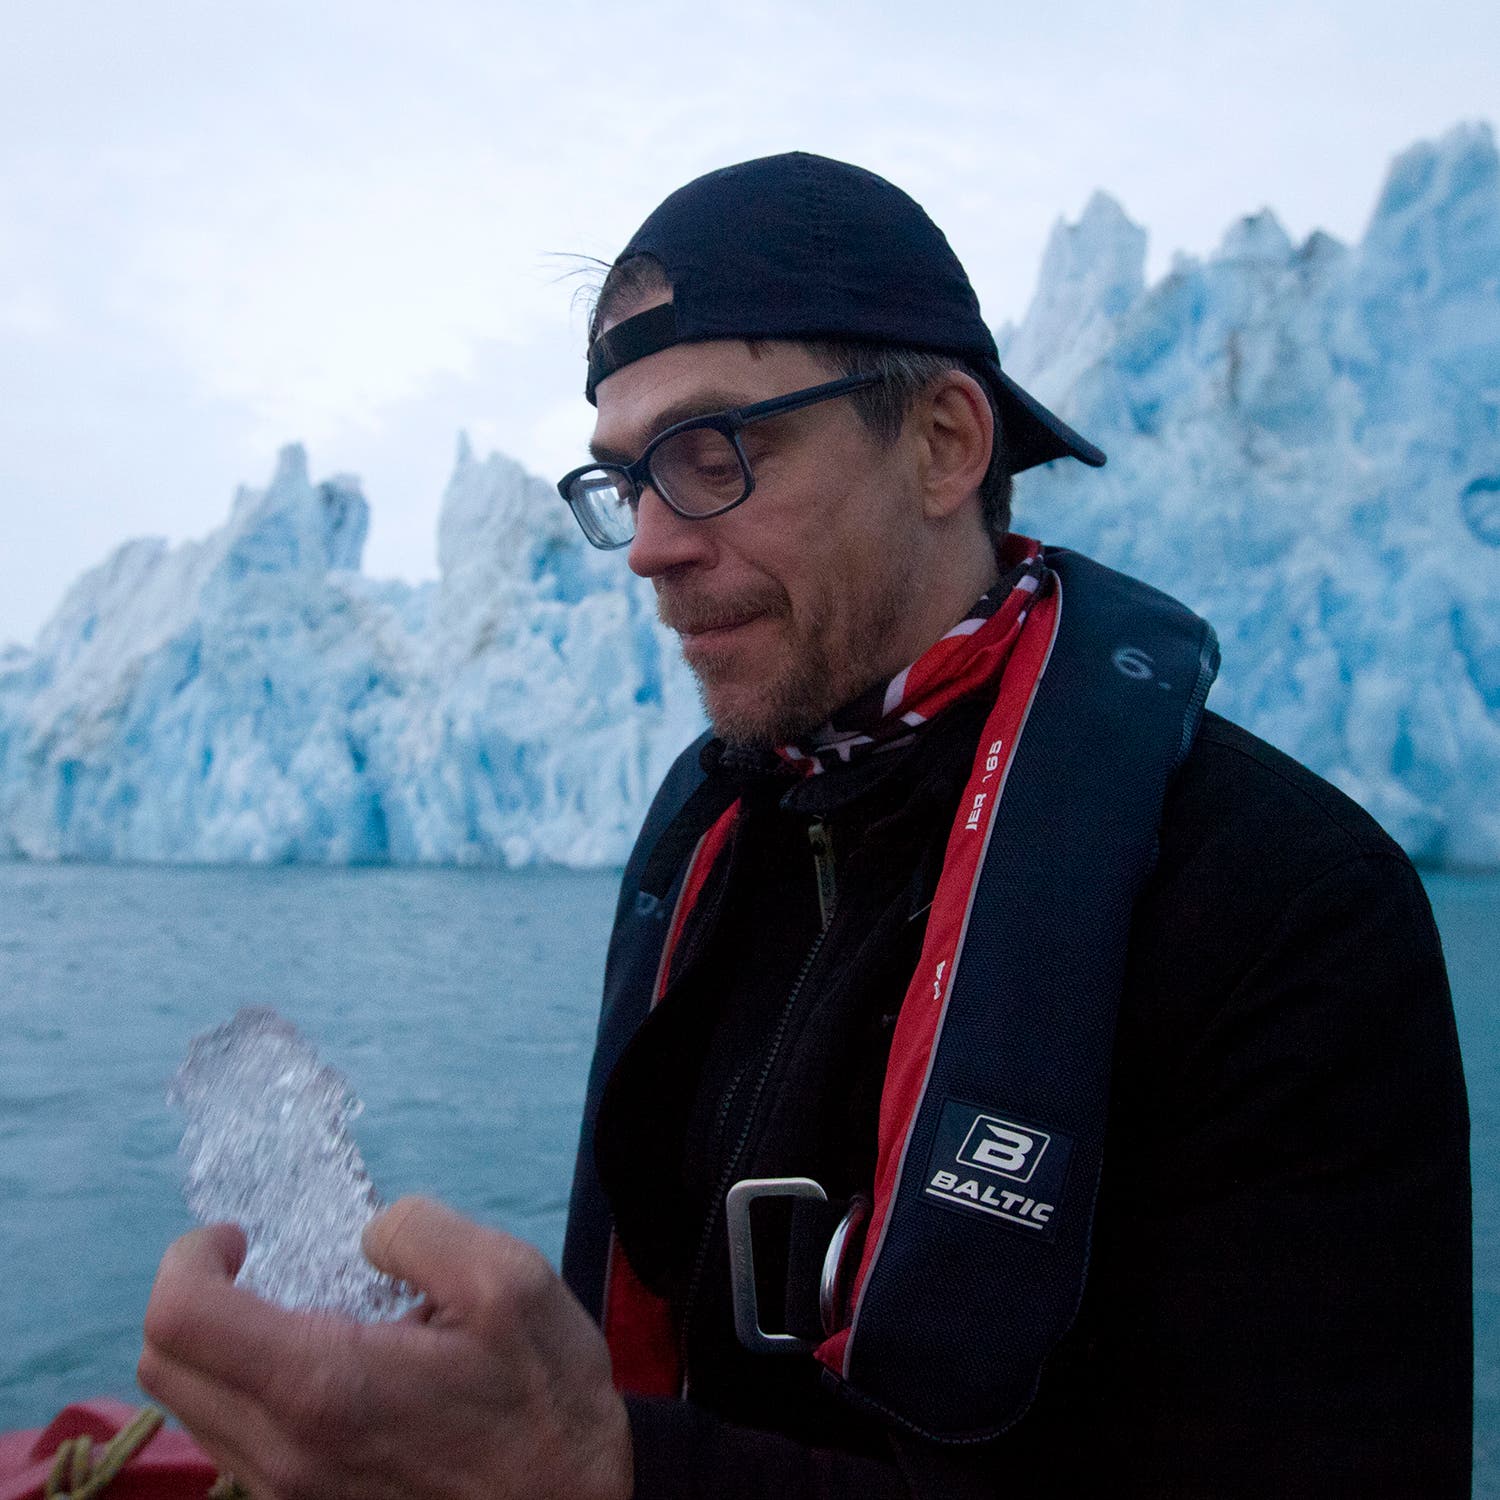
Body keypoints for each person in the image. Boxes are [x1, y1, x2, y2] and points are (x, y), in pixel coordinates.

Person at [140, 153, 1472, 1498]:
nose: (653, 543)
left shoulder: (1279, 906)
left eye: (715, 454)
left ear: (946, 444)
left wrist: (608, 1475)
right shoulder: (706, 839)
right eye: (626, 480)